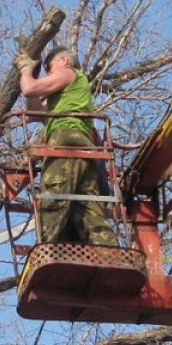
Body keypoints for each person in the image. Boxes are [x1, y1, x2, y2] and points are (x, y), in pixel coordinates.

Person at [13, 46, 116, 246]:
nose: (50, 75)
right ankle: (108, 253)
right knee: (88, 209)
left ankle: (49, 252)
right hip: (85, 149)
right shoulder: (66, 96)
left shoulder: (67, 73)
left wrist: (25, 71)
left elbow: (29, 89)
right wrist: (32, 74)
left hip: (66, 141)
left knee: (54, 197)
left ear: (64, 61)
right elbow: (35, 110)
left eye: (50, 70)